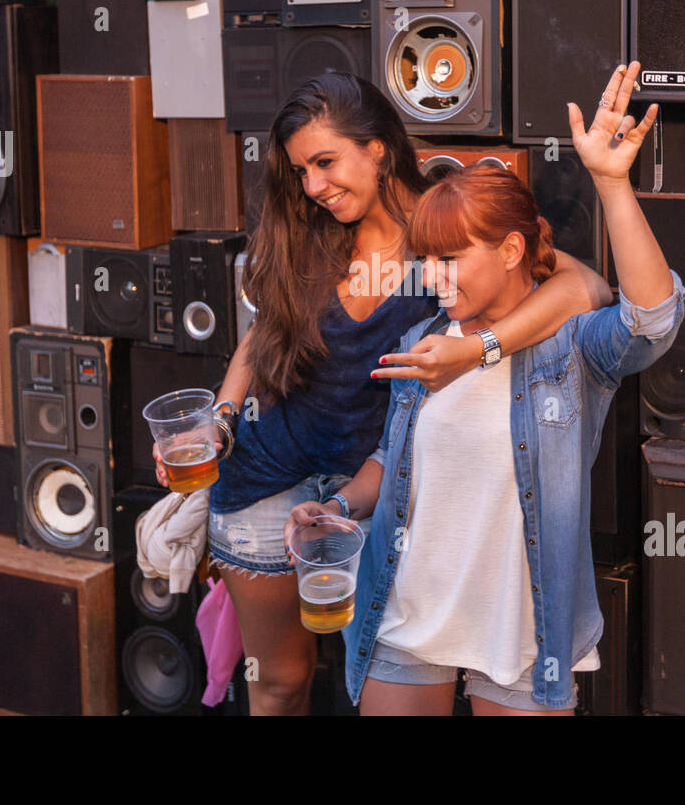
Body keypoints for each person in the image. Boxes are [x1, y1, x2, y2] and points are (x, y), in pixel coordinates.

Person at [155, 72, 614, 715]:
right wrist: (221, 422)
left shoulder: (443, 226)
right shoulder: (303, 232)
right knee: (279, 683)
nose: (312, 186)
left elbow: (585, 289)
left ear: (376, 149)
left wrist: (482, 347)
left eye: (324, 162)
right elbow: (264, 336)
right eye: (301, 171)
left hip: (374, 487)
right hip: (266, 479)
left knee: (373, 666)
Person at [285, 61, 685, 715]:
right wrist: (341, 506)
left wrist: (612, 183)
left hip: (521, 625)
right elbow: (397, 458)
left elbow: (654, 318)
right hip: (408, 602)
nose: (434, 278)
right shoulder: (428, 336)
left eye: (451, 258)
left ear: (508, 250)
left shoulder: (571, 349)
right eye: (427, 260)